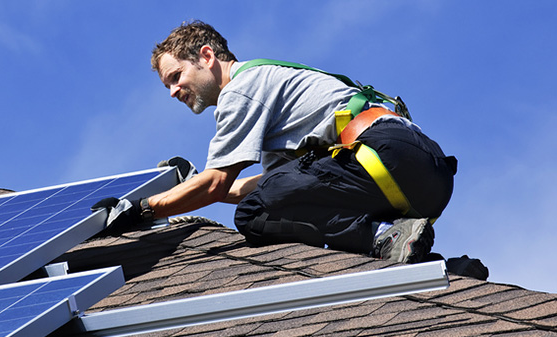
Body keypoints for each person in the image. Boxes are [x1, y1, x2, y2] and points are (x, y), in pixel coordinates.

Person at [91, 20, 456, 263]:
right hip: (425, 176)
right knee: (269, 199)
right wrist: (191, 187)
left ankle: (381, 236)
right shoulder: (271, 89)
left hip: (384, 158)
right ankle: (427, 262)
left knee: (254, 216)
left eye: (176, 76)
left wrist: (142, 209)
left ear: (206, 56)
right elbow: (262, 186)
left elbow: (220, 183)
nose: (172, 91)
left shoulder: (241, 90)